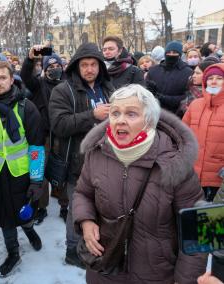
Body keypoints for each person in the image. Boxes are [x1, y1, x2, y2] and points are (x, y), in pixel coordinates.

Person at [73, 84, 207, 283]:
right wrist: (86, 220)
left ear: (149, 121)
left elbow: (199, 227)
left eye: (131, 114)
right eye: (115, 113)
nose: (120, 121)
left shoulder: (175, 162)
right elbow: (82, 193)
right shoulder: (97, 152)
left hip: (157, 275)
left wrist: (186, 279)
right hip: (106, 270)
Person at [49, 42, 114, 268]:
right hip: (77, 164)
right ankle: (72, 251)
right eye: (84, 65)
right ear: (76, 67)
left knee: (101, 208)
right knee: (78, 210)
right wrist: (92, 115)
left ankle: (94, 244)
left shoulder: (108, 89)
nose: (89, 69)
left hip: (107, 161)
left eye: (93, 64)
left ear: (100, 66)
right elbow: (59, 124)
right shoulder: (62, 90)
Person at [0, 60, 45, 277]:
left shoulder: (27, 107)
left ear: (11, 78)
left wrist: (36, 181)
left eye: (2, 78)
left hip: (21, 173)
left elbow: (36, 147)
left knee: (23, 209)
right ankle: (13, 252)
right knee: (5, 214)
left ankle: (29, 230)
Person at [21, 46, 67, 224]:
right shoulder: (39, 85)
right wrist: (30, 59)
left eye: (57, 64)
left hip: (63, 135)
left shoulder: (67, 84)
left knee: (63, 170)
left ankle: (64, 206)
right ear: (45, 68)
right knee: (40, 172)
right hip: (44, 136)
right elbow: (25, 77)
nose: (54, 68)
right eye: (50, 65)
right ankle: (41, 207)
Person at [183, 63, 224, 202]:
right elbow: (182, 135)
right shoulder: (196, 104)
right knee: (190, 217)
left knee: (213, 221)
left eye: (219, 78)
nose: (213, 81)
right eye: (210, 78)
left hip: (218, 179)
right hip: (192, 176)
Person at [146, 40, 193, 115]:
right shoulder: (153, 70)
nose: (171, 54)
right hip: (154, 112)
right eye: (168, 52)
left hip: (176, 114)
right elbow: (146, 91)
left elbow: (187, 96)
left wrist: (163, 98)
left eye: (174, 52)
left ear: (180, 54)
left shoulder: (188, 72)